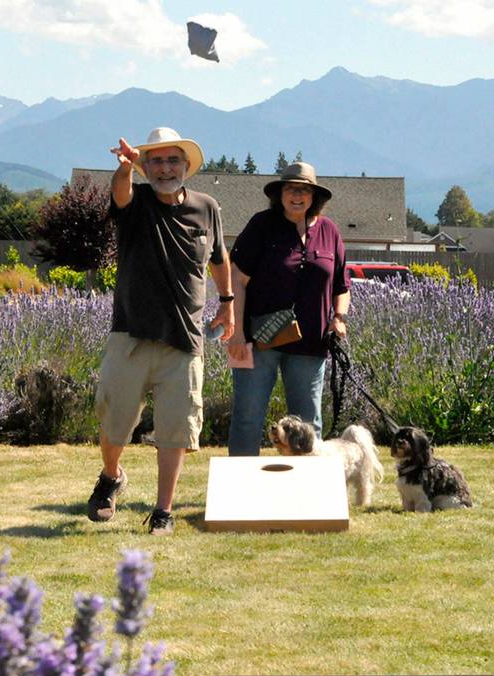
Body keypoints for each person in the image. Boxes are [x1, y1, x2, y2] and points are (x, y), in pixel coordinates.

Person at [87, 127, 234, 535]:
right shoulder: (136, 204)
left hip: (185, 340)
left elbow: (219, 259)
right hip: (131, 334)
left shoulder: (207, 207)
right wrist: (124, 168)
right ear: (145, 166)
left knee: (176, 429)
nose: (166, 169)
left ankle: (163, 511)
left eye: (173, 161)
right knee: (115, 421)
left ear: (186, 166)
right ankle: (112, 475)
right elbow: (120, 193)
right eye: (156, 161)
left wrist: (227, 303)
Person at [226, 162, 350, 456]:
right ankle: (242, 491)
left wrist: (339, 318)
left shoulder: (329, 230)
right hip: (257, 341)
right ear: (280, 194)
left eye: (304, 190)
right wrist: (237, 334)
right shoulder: (261, 225)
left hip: (310, 344)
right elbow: (237, 280)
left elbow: (342, 286)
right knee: (247, 418)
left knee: (309, 425)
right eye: (291, 189)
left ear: (314, 196)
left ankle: (308, 494)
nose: (297, 195)